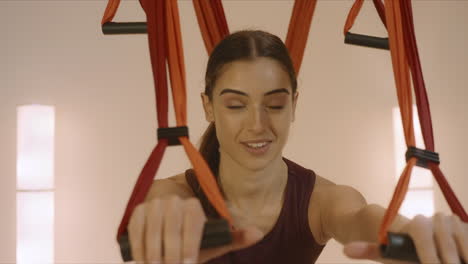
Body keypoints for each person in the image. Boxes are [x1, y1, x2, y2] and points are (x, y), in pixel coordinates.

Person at [127, 30, 468, 264]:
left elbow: (363, 219)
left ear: (294, 105)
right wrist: (161, 225)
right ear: (208, 107)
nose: (257, 125)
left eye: (274, 105)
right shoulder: (173, 196)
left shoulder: (323, 201)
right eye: (235, 105)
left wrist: (415, 234)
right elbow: (163, 207)